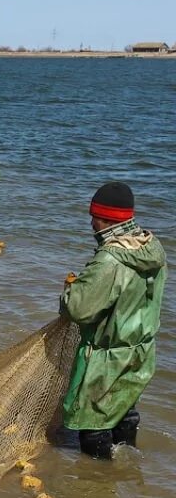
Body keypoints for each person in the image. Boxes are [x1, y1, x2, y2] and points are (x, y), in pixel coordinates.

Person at [59, 182, 166, 460]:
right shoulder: (152, 249)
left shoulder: (110, 261)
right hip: (140, 353)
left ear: (104, 218)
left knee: (93, 425)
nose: (91, 223)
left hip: (107, 358)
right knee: (124, 411)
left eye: (93, 216)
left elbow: (78, 309)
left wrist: (70, 291)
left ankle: (95, 486)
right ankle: (126, 475)